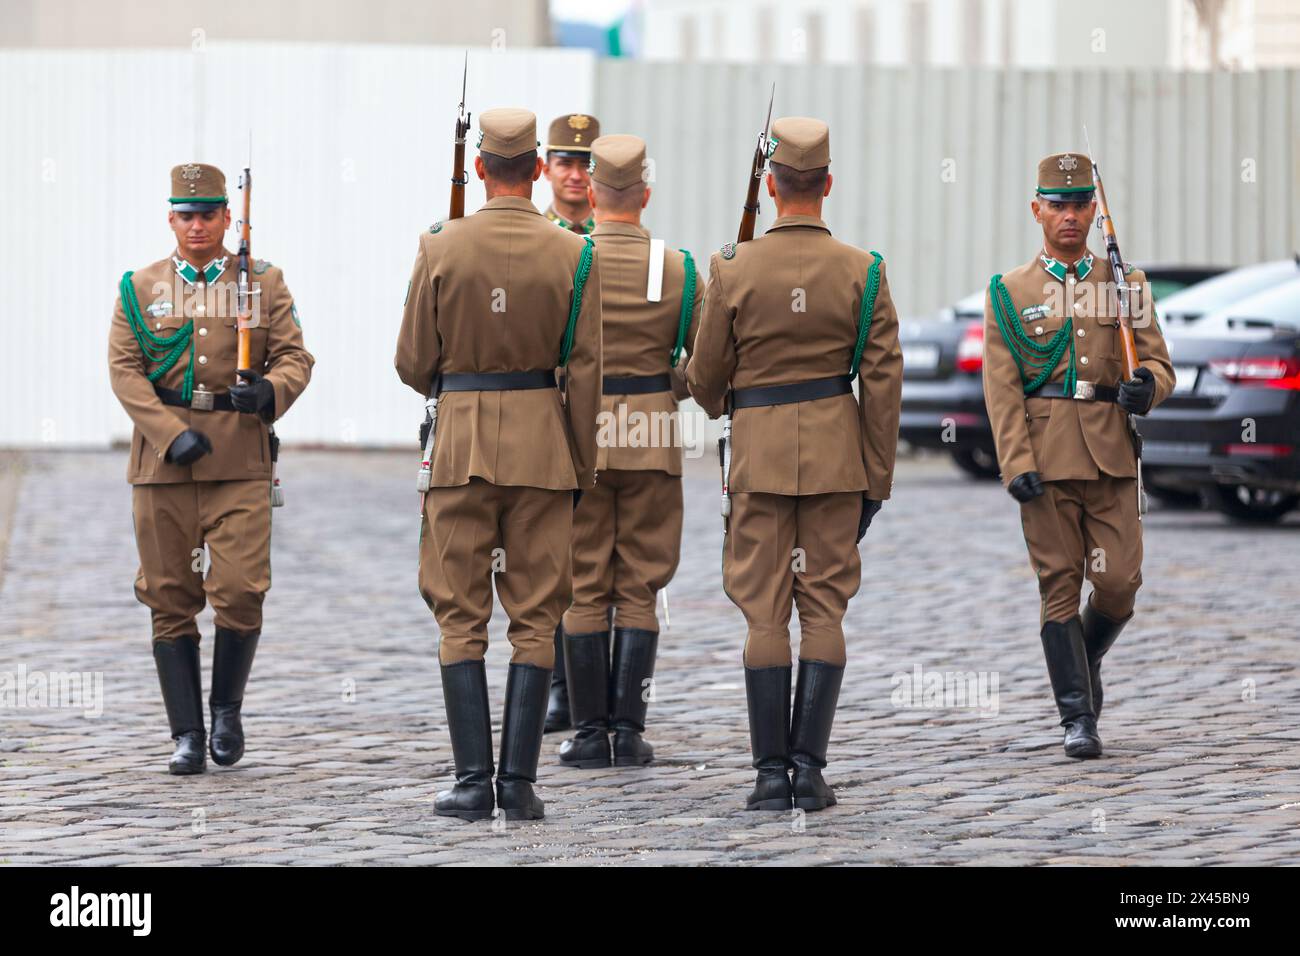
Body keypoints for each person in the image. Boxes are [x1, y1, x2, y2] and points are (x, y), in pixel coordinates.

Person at [686, 117, 903, 811]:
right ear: (828, 184)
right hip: (839, 461)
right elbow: (883, 384)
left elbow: (706, 382)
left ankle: (767, 776)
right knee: (825, 612)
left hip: (759, 460)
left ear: (772, 186)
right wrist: (876, 479)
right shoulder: (864, 271)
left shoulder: (730, 265)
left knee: (762, 616)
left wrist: (726, 396)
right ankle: (808, 770)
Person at [395, 108, 602, 821]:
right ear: (539, 170)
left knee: (460, 614)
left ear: (480, 168)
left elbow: (412, 364)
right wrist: (580, 465)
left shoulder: (437, 246)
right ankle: (517, 784)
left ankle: (469, 781)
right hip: (546, 448)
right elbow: (585, 371)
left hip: (461, 448)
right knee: (537, 617)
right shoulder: (575, 253)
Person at [108, 162, 313, 774]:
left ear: (228, 217)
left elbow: (296, 356)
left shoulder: (263, 282)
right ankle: (187, 734)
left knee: (242, 589)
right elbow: (124, 370)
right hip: (163, 462)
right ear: (170, 219)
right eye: (185, 215)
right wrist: (170, 435)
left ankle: (227, 710)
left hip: (238, 457)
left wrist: (272, 392)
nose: (197, 226)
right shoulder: (138, 287)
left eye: (208, 214)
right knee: (168, 595)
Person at [981, 152, 1175, 758]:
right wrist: (1016, 463)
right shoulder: (1010, 291)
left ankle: (1081, 660)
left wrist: (1150, 387)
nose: (1069, 216)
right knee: (1059, 585)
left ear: (1096, 209)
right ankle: (1078, 719)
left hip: (1112, 453)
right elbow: (1001, 385)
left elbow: (1161, 365)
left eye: (1080, 204)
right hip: (1045, 454)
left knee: (1118, 584)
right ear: (1036, 209)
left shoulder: (1126, 284)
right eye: (1058, 205)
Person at [555, 133, 701, 770]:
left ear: (590, 191)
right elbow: (703, 364)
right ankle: (629, 732)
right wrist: (662, 385)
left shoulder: (565, 256)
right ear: (645, 194)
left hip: (579, 435)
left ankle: (589, 735)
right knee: (639, 586)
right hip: (651, 433)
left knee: (585, 585)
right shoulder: (679, 267)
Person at [542, 113, 600, 234]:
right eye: (565, 164)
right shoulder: (533, 234)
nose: (576, 176)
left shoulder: (615, 236)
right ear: (547, 170)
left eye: (586, 165)